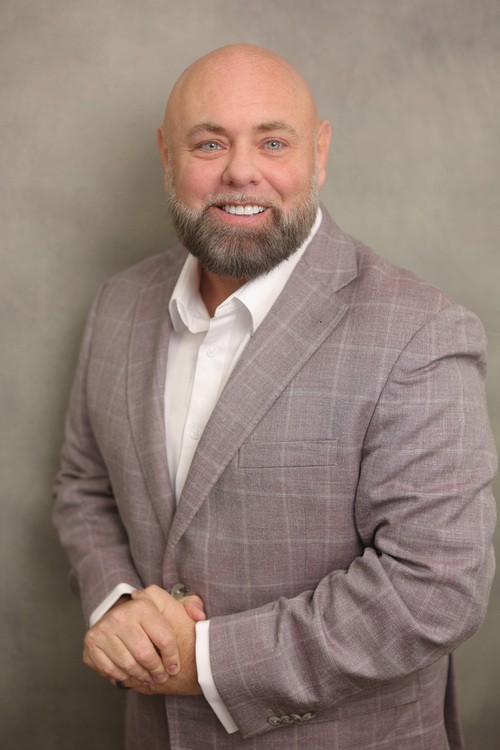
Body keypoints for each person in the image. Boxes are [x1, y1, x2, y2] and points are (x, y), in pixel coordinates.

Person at [53, 44, 496, 750]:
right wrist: (122, 604)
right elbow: (84, 485)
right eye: (209, 143)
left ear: (319, 153)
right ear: (167, 155)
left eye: (273, 142)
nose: (241, 171)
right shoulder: (118, 305)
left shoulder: (421, 331)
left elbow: (434, 588)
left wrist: (203, 662)